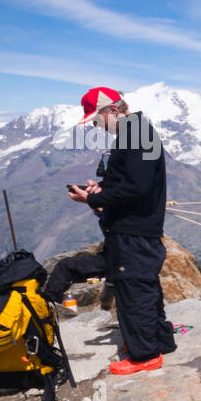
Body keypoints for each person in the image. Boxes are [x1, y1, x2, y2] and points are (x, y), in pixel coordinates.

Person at [58, 86, 177, 374]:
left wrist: (93, 198)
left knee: (132, 289)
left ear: (111, 111)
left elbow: (138, 187)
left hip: (133, 230)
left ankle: (145, 355)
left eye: (97, 120)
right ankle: (159, 340)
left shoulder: (136, 135)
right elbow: (133, 181)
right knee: (144, 286)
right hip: (139, 228)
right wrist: (102, 189)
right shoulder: (137, 132)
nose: (97, 126)